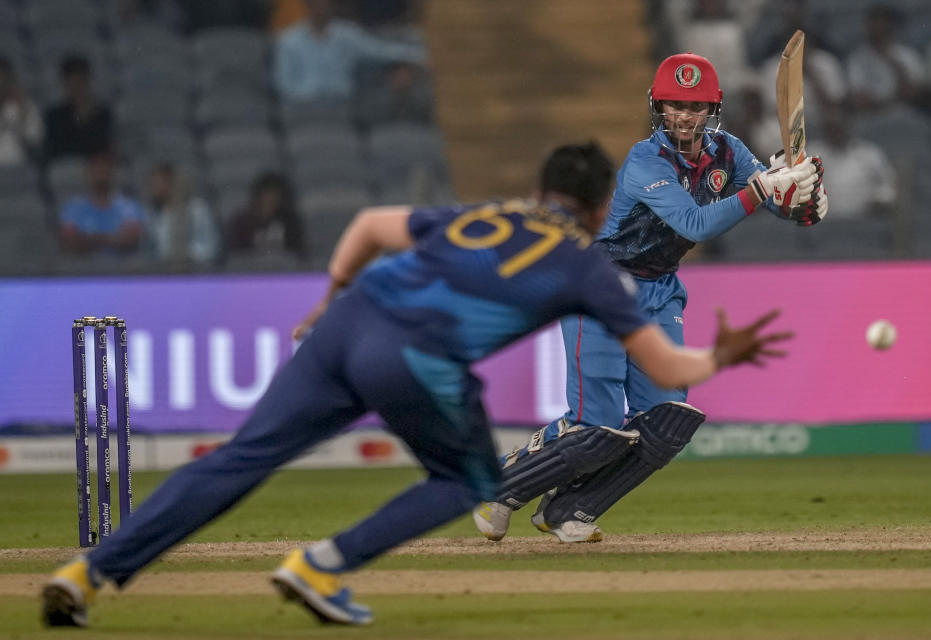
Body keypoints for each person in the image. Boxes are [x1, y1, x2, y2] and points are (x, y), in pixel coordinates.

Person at [42, 142, 792, 628]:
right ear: (602, 210)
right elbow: (666, 372)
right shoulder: (586, 264)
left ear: (540, 187)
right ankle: (321, 564)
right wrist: (721, 356)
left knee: (238, 460)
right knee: (465, 480)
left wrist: (328, 297)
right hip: (417, 359)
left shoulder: (484, 213)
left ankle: (88, 573)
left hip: (346, 326)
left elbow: (369, 225)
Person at [472, 53, 828, 544]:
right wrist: (768, 188)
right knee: (594, 427)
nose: (684, 116)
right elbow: (697, 223)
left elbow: (770, 199)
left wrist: (804, 201)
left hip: (659, 291)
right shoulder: (646, 159)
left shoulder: (730, 152)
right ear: (657, 108)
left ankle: (572, 508)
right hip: (597, 289)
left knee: (666, 424)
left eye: (695, 106)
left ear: (712, 110)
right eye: (673, 106)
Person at [273, 0, 427, 103]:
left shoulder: (347, 35)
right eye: (317, 3)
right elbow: (283, 85)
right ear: (308, 6)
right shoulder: (288, 40)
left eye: (326, 3)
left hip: (342, 106)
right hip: (304, 108)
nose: (321, 7)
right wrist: (307, 100)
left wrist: (416, 56)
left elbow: (380, 51)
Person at [58, 151, 145, 257]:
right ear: (88, 170)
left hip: (122, 270)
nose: (101, 170)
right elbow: (70, 241)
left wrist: (88, 239)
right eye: (96, 165)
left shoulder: (129, 207)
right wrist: (113, 238)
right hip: (81, 270)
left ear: (112, 170)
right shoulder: (73, 208)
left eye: (105, 165)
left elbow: (131, 239)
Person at [846, 4, 926, 114]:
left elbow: (915, 94)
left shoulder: (907, 55)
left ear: (891, 26)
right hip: (871, 115)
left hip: (903, 112)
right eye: (872, 22)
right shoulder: (856, 59)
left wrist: (899, 71)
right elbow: (858, 98)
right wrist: (885, 101)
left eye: (881, 22)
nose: (877, 28)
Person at [142, 162, 221, 268]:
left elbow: (211, 246)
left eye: (157, 183)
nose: (154, 188)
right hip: (163, 272)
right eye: (152, 184)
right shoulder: (153, 213)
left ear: (170, 182)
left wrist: (186, 255)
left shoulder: (197, 209)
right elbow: (151, 249)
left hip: (196, 270)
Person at [43, 55, 114, 162]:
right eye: (72, 83)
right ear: (64, 84)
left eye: (81, 82)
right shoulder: (54, 116)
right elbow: (58, 151)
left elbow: (103, 148)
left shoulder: (102, 114)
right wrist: (80, 120)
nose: (77, 88)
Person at [226, 171, 305, 260]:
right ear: (258, 197)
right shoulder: (242, 223)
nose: (270, 201)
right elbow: (236, 254)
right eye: (266, 196)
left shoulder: (291, 222)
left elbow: (298, 253)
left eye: (274, 197)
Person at [0, 57, 43, 167]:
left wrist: (23, 113)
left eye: (3, 79)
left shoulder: (26, 106)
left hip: (19, 169)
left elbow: (35, 140)